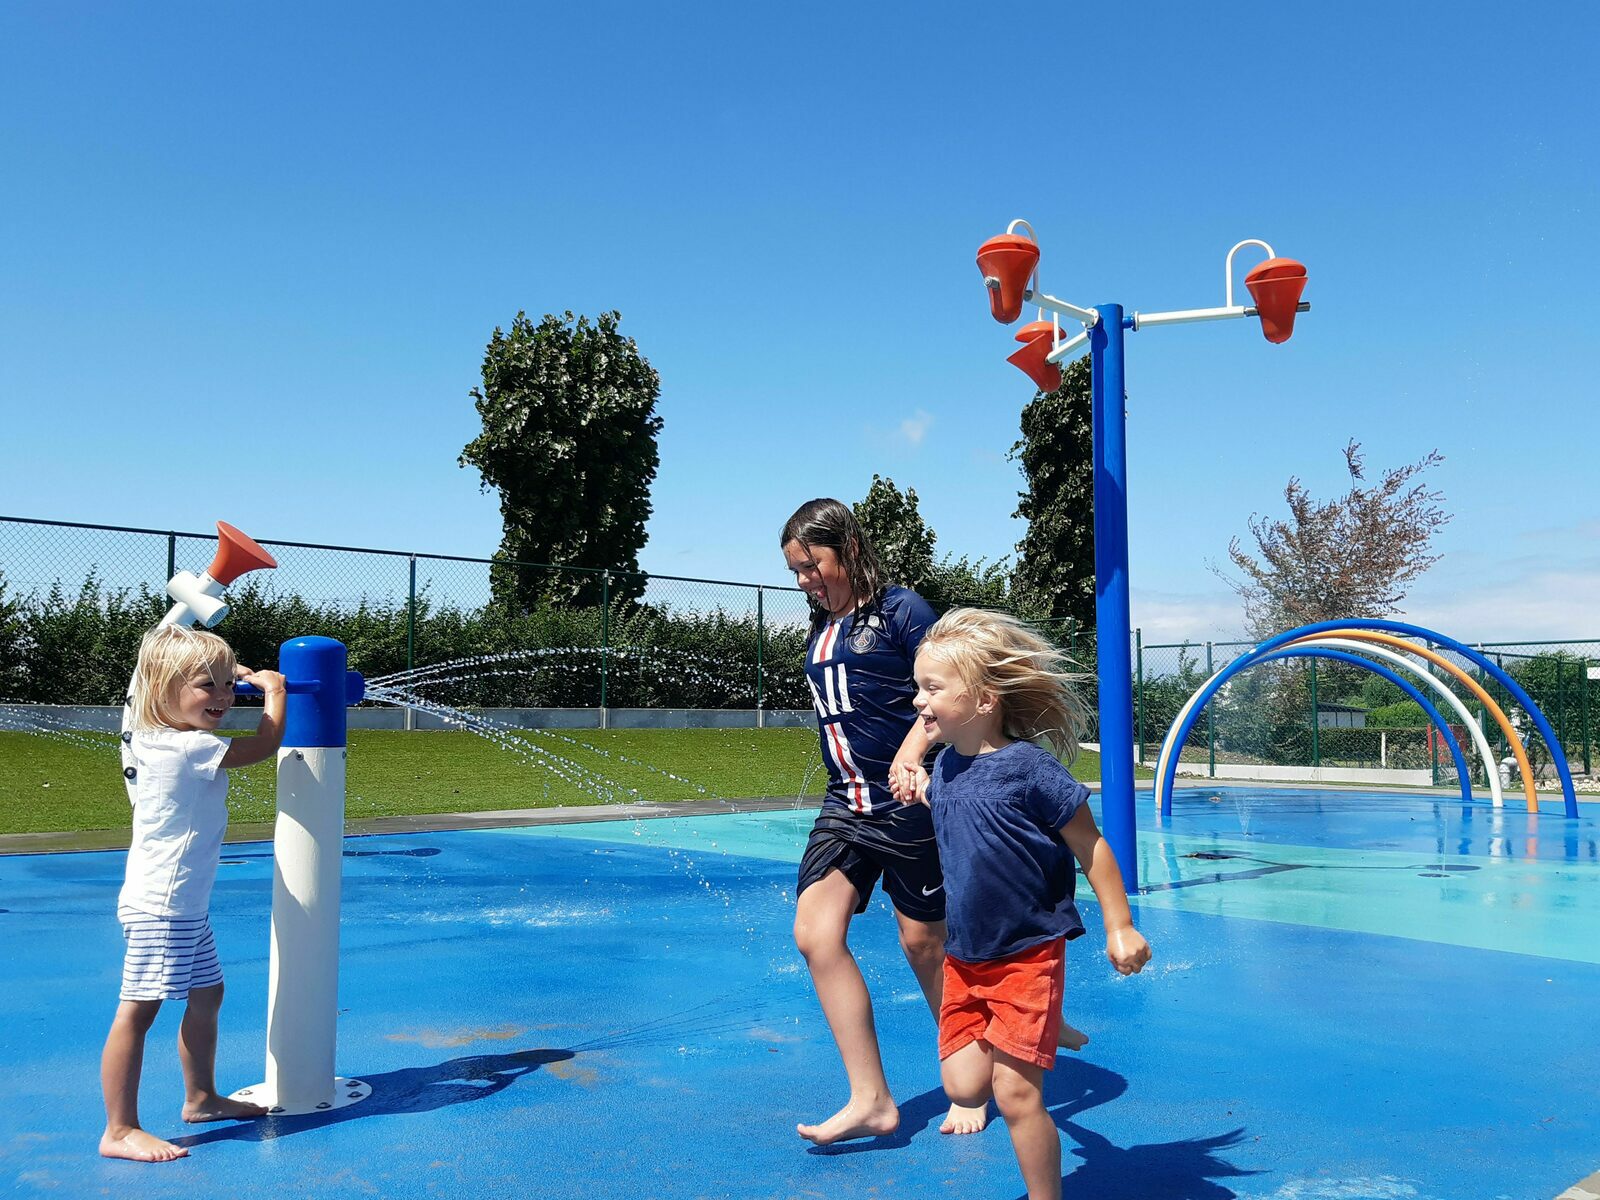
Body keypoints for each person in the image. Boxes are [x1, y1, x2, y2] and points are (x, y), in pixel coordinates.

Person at [781, 498, 1087, 1145]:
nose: (806, 579)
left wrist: (914, 752)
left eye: (813, 564)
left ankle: (976, 1063)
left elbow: (949, 683)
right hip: (847, 806)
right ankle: (871, 1098)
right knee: (815, 933)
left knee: (924, 944)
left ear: (849, 550)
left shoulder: (900, 612)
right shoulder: (821, 628)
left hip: (908, 804)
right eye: (796, 571)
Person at [906, 607, 1151, 1200]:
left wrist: (1120, 926)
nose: (918, 701)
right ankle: (1046, 1026)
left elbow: (1090, 846)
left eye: (932, 689)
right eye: (918, 686)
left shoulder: (1030, 770)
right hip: (966, 956)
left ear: (985, 699)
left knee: (1016, 1097)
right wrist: (918, 781)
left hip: (1024, 953)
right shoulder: (945, 767)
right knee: (965, 1088)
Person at [99, 624, 287, 1163]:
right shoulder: (187, 746)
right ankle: (119, 1129)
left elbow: (149, 668)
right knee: (137, 1012)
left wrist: (232, 674)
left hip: (181, 902)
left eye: (231, 683)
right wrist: (272, 690)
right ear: (163, 691)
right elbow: (265, 744)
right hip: (165, 904)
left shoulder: (147, 731)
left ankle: (201, 1098)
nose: (226, 697)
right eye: (210, 685)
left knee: (208, 994)